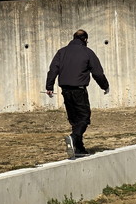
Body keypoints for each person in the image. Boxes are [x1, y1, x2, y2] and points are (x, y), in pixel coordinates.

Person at [45, 29, 109, 157]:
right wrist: (105, 86)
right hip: (79, 89)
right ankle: (73, 138)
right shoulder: (87, 52)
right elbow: (97, 72)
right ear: (85, 39)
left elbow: (53, 70)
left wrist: (49, 86)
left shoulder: (61, 52)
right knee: (84, 118)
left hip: (65, 90)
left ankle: (79, 149)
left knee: (75, 119)